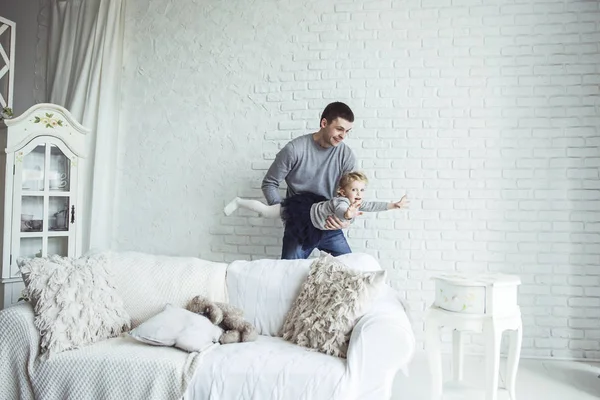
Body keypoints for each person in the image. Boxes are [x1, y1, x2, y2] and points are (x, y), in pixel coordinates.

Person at [259, 102, 357, 259]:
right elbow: (269, 183)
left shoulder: (346, 155)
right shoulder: (294, 150)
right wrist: (286, 214)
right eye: (339, 129)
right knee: (289, 275)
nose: (343, 135)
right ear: (324, 123)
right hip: (300, 226)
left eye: (347, 131)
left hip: (330, 223)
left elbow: (351, 193)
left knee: (352, 270)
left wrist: (347, 220)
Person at [224, 171, 409, 252]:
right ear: (343, 192)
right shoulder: (342, 202)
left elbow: (371, 205)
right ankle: (239, 201)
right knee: (266, 212)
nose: (359, 194)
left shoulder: (356, 202)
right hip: (302, 214)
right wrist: (348, 215)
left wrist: (393, 205)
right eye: (354, 190)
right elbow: (341, 211)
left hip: (317, 224)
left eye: (362, 190)